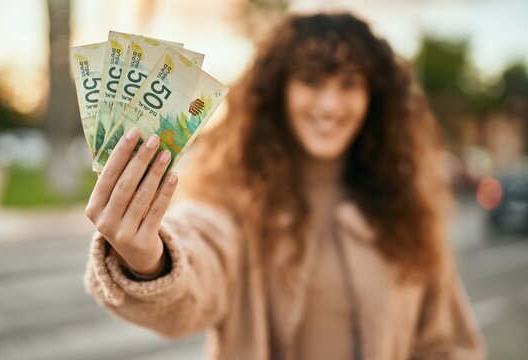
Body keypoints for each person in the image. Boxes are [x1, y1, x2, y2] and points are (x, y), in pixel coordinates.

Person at [83, 12, 486, 360]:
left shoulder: (408, 211)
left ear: (373, 97)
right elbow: (200, 256)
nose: (330, 105)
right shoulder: (234, 197)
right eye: (311, 81)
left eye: (349, 84)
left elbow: (448, 343)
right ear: (279, 92)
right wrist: (151, 259)